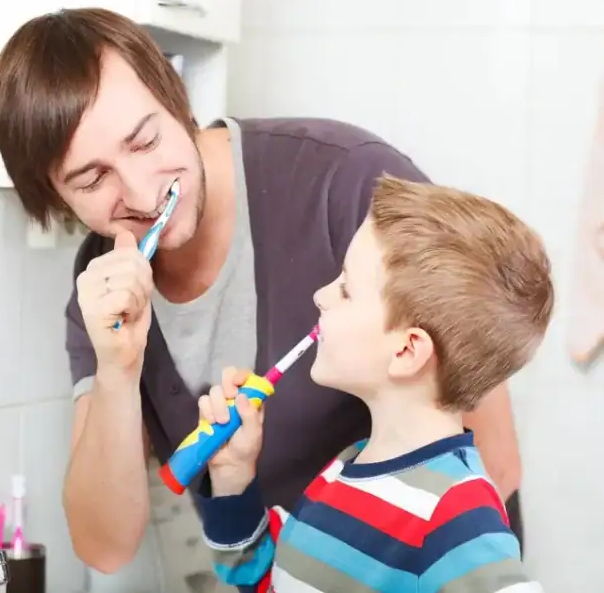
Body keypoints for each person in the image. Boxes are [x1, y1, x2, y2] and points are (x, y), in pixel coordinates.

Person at [0, 7, 526, 584]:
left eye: (145, 141)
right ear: (55, 197)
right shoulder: (101, 292)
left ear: (177, 99)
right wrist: (118, 371)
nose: (142, 193)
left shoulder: (349, 184)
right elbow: (106, 546)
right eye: (93, 180)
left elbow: (495, 458)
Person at [195, 176, 551, 592]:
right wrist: (233, 476)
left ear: (406, 351)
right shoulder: (345, 473)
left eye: (346, 288)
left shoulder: (456, 514)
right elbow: (264, 580)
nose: (321, 296)